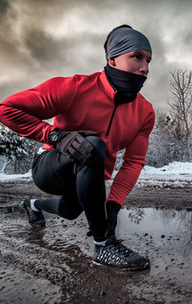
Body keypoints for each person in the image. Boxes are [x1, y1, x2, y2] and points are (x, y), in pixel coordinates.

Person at [0, 24, 155, 270]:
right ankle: (104, 246)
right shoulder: (75, 88)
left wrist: (113, 206)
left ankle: (32, 205)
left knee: (69, 210)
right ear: (112, 59)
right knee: (92, 144)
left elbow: (133, 162)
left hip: (88, 174)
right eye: (136, 57)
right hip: (50, 165)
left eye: (148, 60)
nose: (145, 67)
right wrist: (55, 136)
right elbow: (7, 109)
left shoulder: (145, 112)